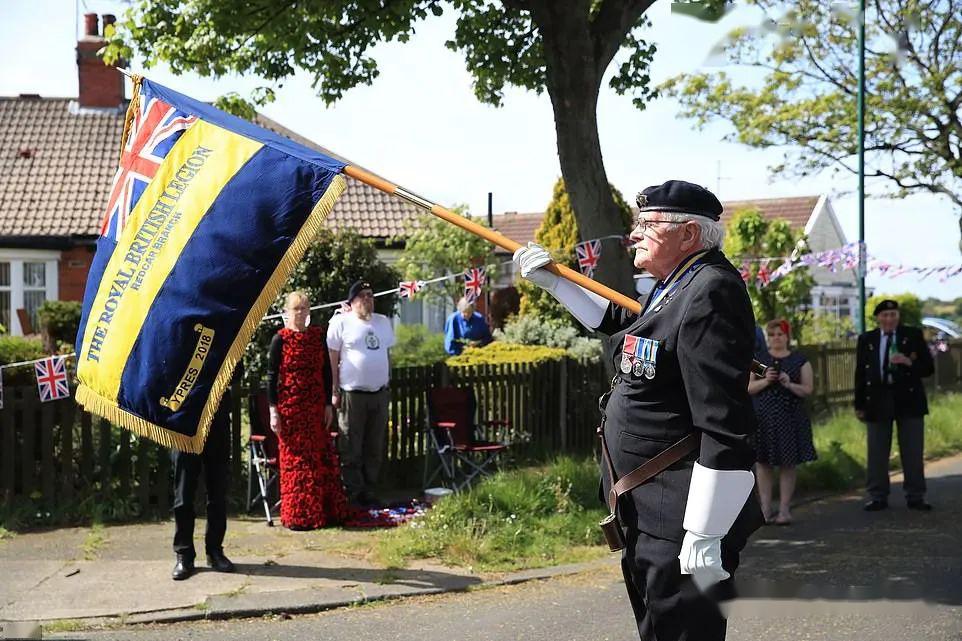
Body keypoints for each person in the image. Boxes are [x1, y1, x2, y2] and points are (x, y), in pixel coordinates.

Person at [514, 179, 761, 641]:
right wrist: (555, 281)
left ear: (688, 234)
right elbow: (625, 325)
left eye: (648, 224)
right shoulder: (675, 283)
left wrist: (706, 531)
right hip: (649, 508)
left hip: (681, 516)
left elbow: (724, 422)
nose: (635, 234)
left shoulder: (711, 290)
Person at [267, 291, 348, 530]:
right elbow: (272, 378)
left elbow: (325, 372)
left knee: (318, 459)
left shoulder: (316, 337)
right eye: (296, 309)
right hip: (291, 410)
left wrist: (327, 404)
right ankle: (297, 515)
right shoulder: (279, 340)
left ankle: (321, 512)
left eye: (304, 309)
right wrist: (274, 410)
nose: (300, 314)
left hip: (314, 408)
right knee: (295, 461)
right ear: (287, 312)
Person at [855, 299, 935, 511]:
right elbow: (860, 374)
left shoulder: (912, 336)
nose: (889, 319)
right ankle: (878, 495)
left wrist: (909, 362)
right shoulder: (867, 339)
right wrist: (859, 403)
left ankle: (915, 495)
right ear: (878, 318)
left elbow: (928, 368)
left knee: (912, 450)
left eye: (893, 315)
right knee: (877, 451)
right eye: (885, 315)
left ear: (898, 317)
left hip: (908, 399)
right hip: (878, 399)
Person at [327, 280, 396, 507]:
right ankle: (353, 493)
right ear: (352, 301)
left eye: (370, 295)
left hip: (378, 393)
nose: (368, 299)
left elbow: (387, 355)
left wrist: (387, 379)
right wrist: (334, 390)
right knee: (351, 445)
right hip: (351, 394)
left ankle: (370, 490)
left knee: (374, 445)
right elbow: (332, 359)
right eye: (362, 296)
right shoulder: (341, 323)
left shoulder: (383, 322)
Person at [747, 319, 816, 525]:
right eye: (773, 334)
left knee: (788, 464)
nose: (777, 338)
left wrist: (788, 383)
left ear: (787, 336)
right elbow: (749, 388)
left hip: (790, 418)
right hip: (763, 419)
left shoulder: (799, 360)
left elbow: (807, 389)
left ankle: (785, 509)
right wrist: (766, 380)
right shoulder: (759, 360)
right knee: (763, 463)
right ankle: (765, 509)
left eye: (780, 334)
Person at [171, 384, 236, 580]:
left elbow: (236, 369)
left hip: (216, 413)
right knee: (183, 493)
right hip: (184, 416)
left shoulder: (222, 349)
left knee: (217, 490)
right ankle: (184, 554)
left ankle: (215, 551)